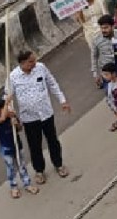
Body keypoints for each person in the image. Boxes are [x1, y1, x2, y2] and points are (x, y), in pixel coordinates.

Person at [5, 51, 69, 182]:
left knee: (53, 141)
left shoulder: (41, 68)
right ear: (22, 63)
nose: (34, 63)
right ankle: (39, 170)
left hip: (46, 113)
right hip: (29, 118)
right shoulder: (13, 77)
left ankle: (59, 164)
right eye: (31, 62)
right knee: (35, 145)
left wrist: (62, 100)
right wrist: (11, 114)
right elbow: (7, 97)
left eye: (34, 60)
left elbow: (52, 84)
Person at [0, 98, 38, 198]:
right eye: (4, 108)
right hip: (6, 149)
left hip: (17, 145)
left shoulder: (12, 116)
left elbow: (20, 128)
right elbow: (2, 118)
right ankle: (13, 187)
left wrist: (16, 124)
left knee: (22, 165)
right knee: (10, 168)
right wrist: (6, 103)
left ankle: (27, 184)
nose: (7, 109)